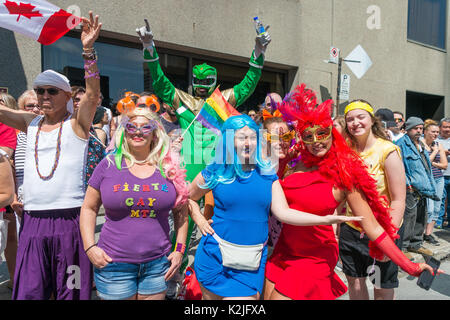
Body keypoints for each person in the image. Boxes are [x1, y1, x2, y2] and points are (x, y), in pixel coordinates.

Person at [264, 84, 436, 300]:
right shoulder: (293, 162)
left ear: (332, 133)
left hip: (315, 254)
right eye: (308, 136)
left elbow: (373, 225)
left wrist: (408, 265)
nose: (316, 141)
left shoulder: (345, 174)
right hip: (284, 248)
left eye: (322, 133)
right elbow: (265, 176)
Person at [188, 114, 363, 300]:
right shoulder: (216, 170)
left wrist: (326, 219)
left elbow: (284, 212)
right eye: (241, 137)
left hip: (250, 262)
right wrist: (198, 218)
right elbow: (188, 197)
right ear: (229, 140)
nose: (248, 143)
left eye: (252, 137)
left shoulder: (266, 173)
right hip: (214, 255)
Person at [0, 11, 102, 300]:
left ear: (68, 97)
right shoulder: (29, 122)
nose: (44, 95)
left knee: (69, 292)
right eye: (39, 90)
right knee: (30, 292)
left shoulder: (77, 125)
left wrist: (88, 50)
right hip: (32, 221)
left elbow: (93, 95)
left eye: (51, 91)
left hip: (71, 221)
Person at [80, 107, 189, 300]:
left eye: (145, 127)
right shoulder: (108, 165)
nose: (138, 132)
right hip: (114, 264)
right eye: (132, 127)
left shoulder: (168, 168)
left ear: (155, 133)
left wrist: (179, 250)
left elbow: (181, 213)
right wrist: (90, 247)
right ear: (124, 131)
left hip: (157, 265)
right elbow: (89, 208)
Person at [341, 100, 406, 300]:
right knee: (355, 283)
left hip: (383, 230)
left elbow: (398, 200)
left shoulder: (387, 150)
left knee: (380, 285)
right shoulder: (345, 151)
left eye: (361, 117)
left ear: (371, 120)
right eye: (350, 119)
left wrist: (388, 239)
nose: (355, 123)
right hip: (352, 229)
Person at [395, 117, 436, 256]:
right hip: (410, 187)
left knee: (421, 216)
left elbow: (425, 166)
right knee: (409, 217)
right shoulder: (400, 144)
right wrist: (408, 184)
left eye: (420, 128)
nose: (418, 131)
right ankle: (404, 247)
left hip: (422, 186)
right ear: (407, 129)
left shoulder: (421, 144)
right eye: (415, 128)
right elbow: (398, 167)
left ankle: (416, 244)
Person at [421, 119, 447, 243]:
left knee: (437, 208)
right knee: (429, 208)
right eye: (433, 131)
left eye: (437, 132)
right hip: (426, 179)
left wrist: (433, 162)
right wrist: (435, 152)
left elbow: (444, 165)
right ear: (425, 132)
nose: (436, 134)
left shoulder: (438, 144)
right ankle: (419, 234)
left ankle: (428, 234)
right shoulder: (420, 143)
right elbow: (424, 162)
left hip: (438, 178)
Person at [436, 118, 450, 229]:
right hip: (440, 175)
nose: (447, 129)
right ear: (440, 128)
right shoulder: (436, 140)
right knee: (440, 200)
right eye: (445, 127)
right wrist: (443, 152)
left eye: (449, 127)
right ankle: (438, 223)